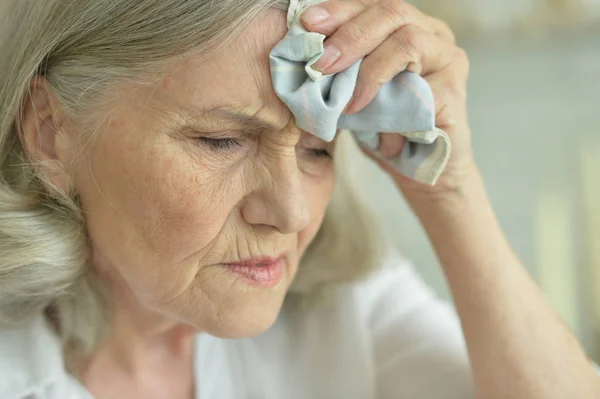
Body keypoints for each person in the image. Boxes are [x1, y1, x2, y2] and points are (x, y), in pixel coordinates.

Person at [0, 0, 598, 398]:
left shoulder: (345, 305)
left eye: (318, 150)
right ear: (50, 131)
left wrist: (451, 191)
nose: (294, 213)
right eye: (222, 140)